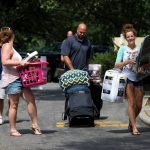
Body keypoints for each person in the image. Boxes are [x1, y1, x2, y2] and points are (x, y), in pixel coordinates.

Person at [0, 27, 42, 136]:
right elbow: (4, 61)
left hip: (20, 78)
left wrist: (29, 61)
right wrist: (20, 62)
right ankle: (13, 129)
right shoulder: (7, 46)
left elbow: (16, 61)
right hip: (12, 79)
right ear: (12, 35)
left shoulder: (10, 46)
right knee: (14, 105)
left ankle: (34, 124)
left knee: (31, 99)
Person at [114, 24, 144, 135]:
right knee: (131, 103)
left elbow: (144, 63)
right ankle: (134, 127)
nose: (130, 38)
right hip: (127, 78)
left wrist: (142, 68)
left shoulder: (140, 49)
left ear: (135, 36)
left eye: (132, 36)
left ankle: (131, 122)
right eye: (128, 37)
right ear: (126, 38)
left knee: (139, 105)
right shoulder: (122, 49)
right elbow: (116, 65)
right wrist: (127, 62)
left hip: (138, 77)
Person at [61, 23, 92, 119]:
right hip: (71, 73)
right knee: (71, 93)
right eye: (80, 32)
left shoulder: (88, 42)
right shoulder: (69, 41)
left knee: (83, 92)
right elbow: (65, 56)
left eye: (84, 32)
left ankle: (84, 111)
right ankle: (69, 112)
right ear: (77, 30)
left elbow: (88, 57)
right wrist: (72, 70)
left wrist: (86, 69)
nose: (82, 34)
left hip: (83, 72)